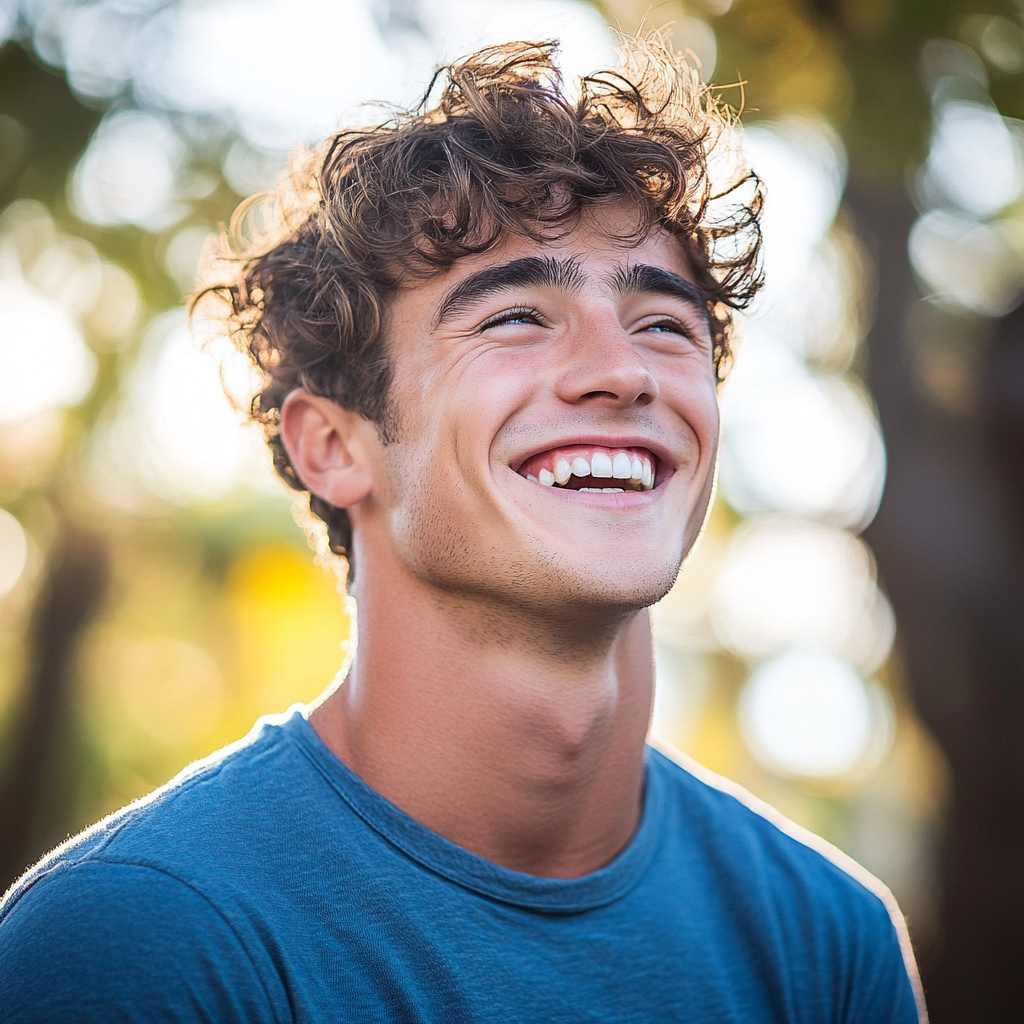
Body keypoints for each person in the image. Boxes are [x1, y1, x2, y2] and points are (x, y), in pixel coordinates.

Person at [0, 37, 925, 1022]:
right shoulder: (137, 941)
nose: (623, 370)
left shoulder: (827, 939)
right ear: (333, 447)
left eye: (664, 324)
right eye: (517, 317)